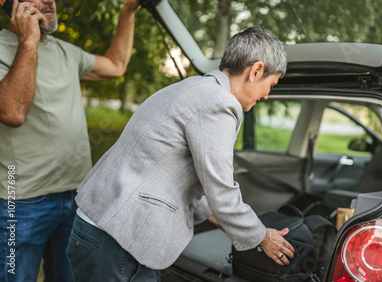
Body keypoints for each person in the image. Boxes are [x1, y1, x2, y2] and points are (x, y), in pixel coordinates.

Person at [66, 26, 295, 281]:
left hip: (103, 228)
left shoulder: (193, 87)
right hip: (115, 239)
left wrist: (223, 219)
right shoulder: (219, 102)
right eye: (271, 85)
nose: (267, 95)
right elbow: (222, 192)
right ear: (256, 71)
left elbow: (179, 172)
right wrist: (262, 237)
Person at [0, 0, 141, 281]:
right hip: (20, 202)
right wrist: (29, 41)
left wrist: (127, 12)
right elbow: (13, 112)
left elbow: (116, 64)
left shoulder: (66, 51)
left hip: (78, 196)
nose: (49, 1)